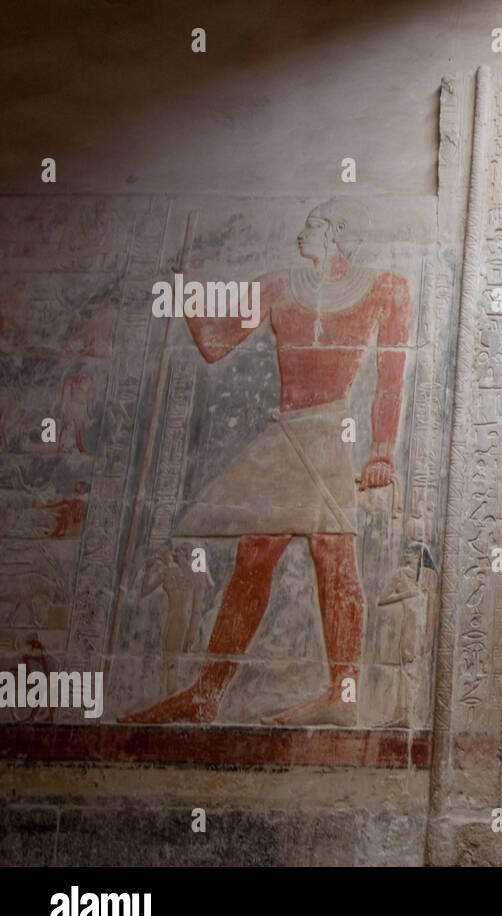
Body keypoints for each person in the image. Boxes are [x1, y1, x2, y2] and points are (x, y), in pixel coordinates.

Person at [123, 200, 410, 726]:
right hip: (286, 435)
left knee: (334, 558)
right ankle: (208, 694)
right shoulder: (278, 285)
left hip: (329, 431)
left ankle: (342, 696)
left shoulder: (386, 288)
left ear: (340, 234)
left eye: (314, 226)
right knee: (253, 560)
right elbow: (213, 344)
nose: (303, 234)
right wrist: (186, 286)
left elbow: (391, 375)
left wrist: (383, 453)